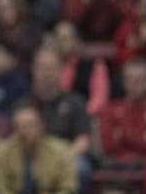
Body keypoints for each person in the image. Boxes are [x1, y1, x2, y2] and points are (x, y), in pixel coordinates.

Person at [29, 46, 92, 192]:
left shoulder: (76, 103)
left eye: (51, 68)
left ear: (60, 70)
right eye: (42, 68)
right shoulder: (24, 105)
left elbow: (83, 141)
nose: (46, 73)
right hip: (31, 157)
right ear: (34, 71)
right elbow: (11, 141)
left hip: (67, 156)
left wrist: (60, 159)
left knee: (81, 168)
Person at [0, 102, 77, 193]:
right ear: (15, 130)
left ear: (41, 126)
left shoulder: (60, 151)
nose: (26, 131)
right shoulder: (3, 151)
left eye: (31, 126)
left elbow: (67, 188)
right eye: (22, 126)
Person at [54, 20, 110, 116]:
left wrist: (81, 115)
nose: (60, 43)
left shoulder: (94, 64)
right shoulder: (49, 65)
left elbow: (100, 98)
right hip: (55, 118)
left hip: (85, 118)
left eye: (65, 39)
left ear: (77, 41)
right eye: (57, 39)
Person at [99, 59, 146, 165]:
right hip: (117, 166)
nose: (133, 85)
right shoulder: (110, 110)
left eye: (139, 80)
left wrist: (123, 135)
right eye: (129, 80)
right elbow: (107, 146)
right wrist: (141, 137)